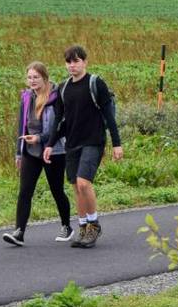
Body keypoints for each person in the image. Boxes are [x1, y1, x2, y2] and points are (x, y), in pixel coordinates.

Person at [44, 45, 122, 249]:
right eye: (69, 62)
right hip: (72, 143)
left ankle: (94, 225)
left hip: (93, 141)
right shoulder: (63, 88)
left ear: (85, 62)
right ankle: (83, 226)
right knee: (75, 187)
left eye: (76, 61)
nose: (72, 65)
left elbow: (109, 117)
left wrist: (117, 144)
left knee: (83, 183)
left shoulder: (96, 83)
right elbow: (60, 122)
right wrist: (50, 144)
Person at [3, 62, 72, 246]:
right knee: (25, 191)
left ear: (45, 77)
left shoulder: (57, 96)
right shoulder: (26, 97)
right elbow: (22, 125)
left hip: (54, 150)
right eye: (29, 77)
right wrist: (19, 152)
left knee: (57, 191)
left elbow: (59, 127)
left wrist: (40, 138)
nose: (32, 81)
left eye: (36, 77)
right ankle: (19, 232)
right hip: (31, 151)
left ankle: (67, 226)